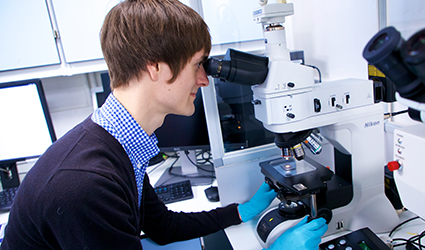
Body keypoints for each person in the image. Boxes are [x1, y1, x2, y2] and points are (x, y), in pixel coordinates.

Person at [0, 0, 327, 249]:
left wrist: (241, 211)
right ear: (155, 66)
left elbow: (160, 227)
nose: (204, 80)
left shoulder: (118, 145)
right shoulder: (85, 186)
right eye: (198, 64)